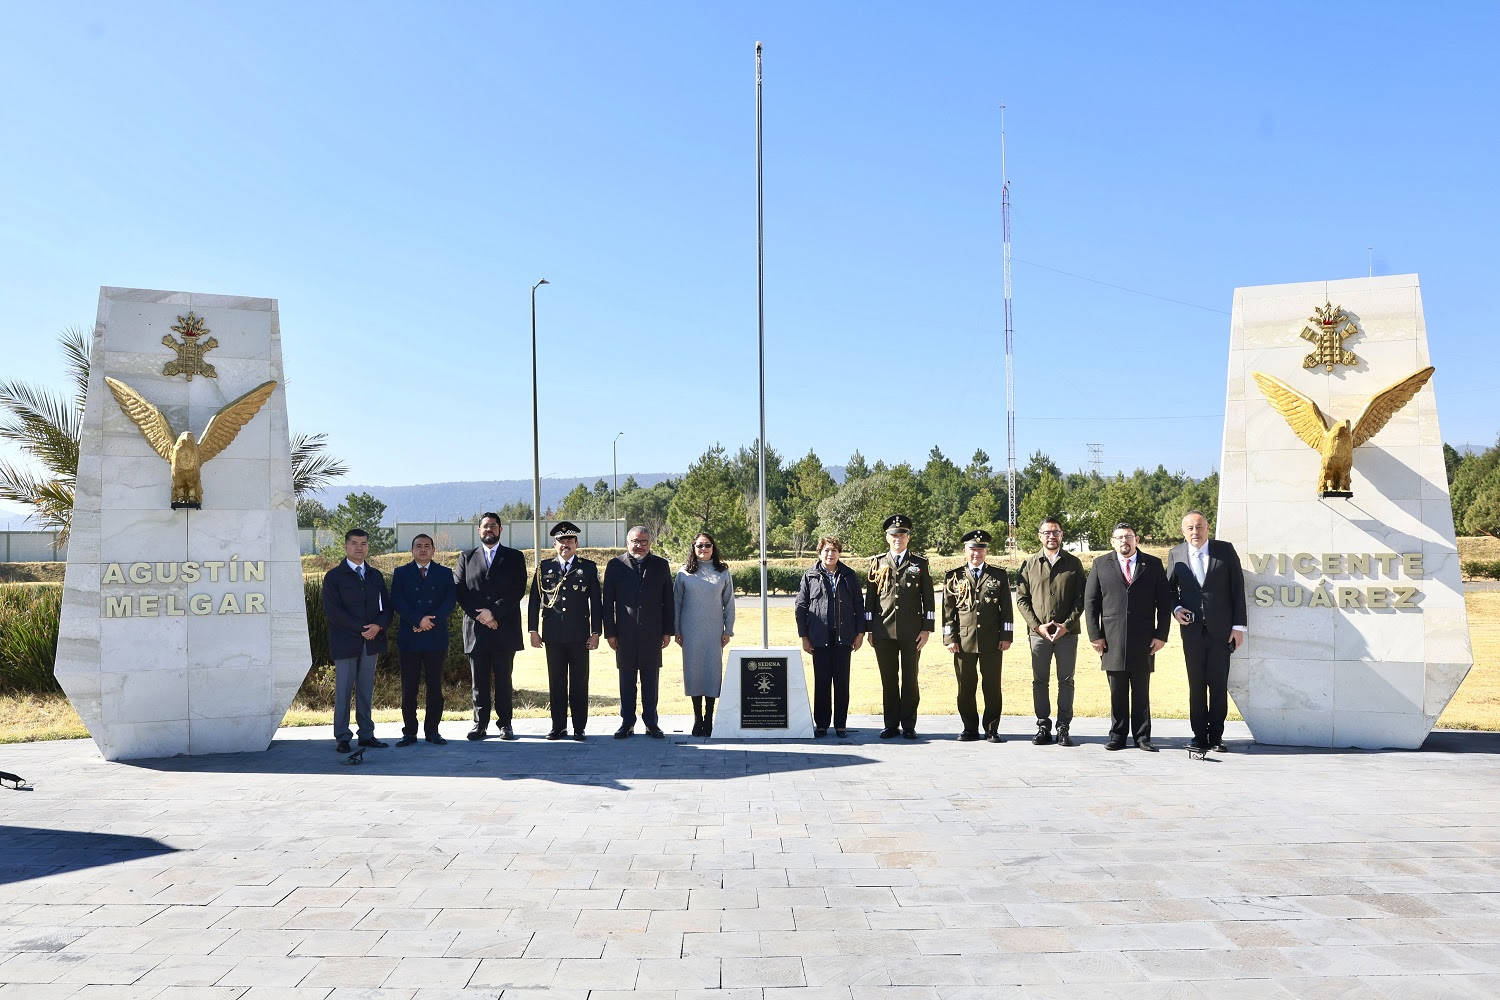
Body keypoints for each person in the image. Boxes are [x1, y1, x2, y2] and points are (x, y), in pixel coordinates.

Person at [1084, 522, 1172, 751]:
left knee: (1142, 691)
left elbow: (1164, 603)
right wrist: (1095, 635)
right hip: (1111, 640)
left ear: (1137, 539)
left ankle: (1143, 737)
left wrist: (1161, 635)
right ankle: (1117, 735)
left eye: (1129, 536)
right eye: (1119, 537)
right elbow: (1091, 603)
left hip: (1144, 640)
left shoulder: (1152, 564)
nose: (1124, 541)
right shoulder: (1100, 564)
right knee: (1117, 691)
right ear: (1112, 541)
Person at [1166, 510, 1247, 755]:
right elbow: (1167, 591)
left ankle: (1217, 737)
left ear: (1207, 528)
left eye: (1199, 527)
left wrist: (1239, 627)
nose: (1195, 532)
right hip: (1191, 632)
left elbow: (1237, 588)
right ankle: (1199, 736)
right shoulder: (1175, 554)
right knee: (1197, 685)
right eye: (1189, 528)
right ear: (1183, 531)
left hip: (1222, 631)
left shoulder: (1225, 550)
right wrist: (1177, 608)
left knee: (1218, 684)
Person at [454, 513, 528, 741]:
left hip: (504, 628)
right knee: (479, 681)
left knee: (504, 680)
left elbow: (518, 589)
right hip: (476, 630)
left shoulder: (515, 557)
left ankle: (505, 724)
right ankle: (480, 724)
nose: (489, 530)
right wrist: (482, 616)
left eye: (493, 526)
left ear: (500, 530)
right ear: (478, 530)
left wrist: (493, 612)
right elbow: (459, 590)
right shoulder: (466, 557)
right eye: (485, 526)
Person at [1014, 516, 1087, 747]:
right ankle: (1043, 725)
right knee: (1040, 681)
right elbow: (1022, 599)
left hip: (1068, 633)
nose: (1051, 536)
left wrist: (1067, 625)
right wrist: (1037, 626)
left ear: (1062, 535)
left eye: (1055, 532)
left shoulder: (1073, 564)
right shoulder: (1028, 564)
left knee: (1066, 680)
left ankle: (1063, 727)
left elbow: (1081, 598)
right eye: (1046, 532)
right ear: (1040, 536)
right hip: (1039, 634)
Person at [528, 521, 602, 741]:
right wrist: (533, 630)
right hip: (552, 635)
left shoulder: (587, 568)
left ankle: (579, 727)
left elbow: (596, 603)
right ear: (554, 544)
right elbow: (534, 601)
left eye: (569, 540)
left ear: (576, 543)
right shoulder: (544, 568)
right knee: (556, 682)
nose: (565, 545)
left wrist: (596, 632)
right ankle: (558, 726)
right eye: (561, 541)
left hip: (580, 636)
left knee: (579, 682)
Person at [321, 528, 392, 753]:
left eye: (363, 543)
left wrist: (378, 626)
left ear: (367, 547)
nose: (359, 547)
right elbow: (333, 612)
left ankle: (366, 735)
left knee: (365, 690)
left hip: (371, 642)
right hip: (345, 642)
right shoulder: (334, 577)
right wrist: (362, 628)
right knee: (343, 691)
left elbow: (387, 608)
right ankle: (342, 736)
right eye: (354, 543)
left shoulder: (375, 575)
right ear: (346, 546)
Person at [864, 514, 934, 739]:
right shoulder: (877, 563)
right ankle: (891, 724)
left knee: (910, 679)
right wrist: (869, 628)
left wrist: (926, 629)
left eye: (902, 534)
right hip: (883, 630)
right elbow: (871, 599)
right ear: (887, 537)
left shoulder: (919, 563)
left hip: (911, 631)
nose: (898, 538)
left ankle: (909, 725)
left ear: (908, 537)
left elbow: (928, 599)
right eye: (894, 535)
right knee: (889, 679)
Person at [603, 526, 675, 739]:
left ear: (650, 543)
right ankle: (627, 722)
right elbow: (608, 603)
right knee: (626, 680)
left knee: (650, 680)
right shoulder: (615, 565)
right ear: (628, 543)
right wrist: (610, 633)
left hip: (652, 633)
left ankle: (651, 722)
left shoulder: (661, 565)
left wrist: (667, 631)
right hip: (624, 633)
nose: (640, 545)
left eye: (644, 541)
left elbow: (668, 601)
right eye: (635, 541)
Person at [941, 529, 1013, 742]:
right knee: (965, 686)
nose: (977, 553)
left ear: (986, 551)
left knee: (992, 686)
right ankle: (969, 727)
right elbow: (948, 612)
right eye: (973, 549)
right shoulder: (954, 576)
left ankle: (992, 728)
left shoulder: (998, 575)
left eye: (981, 549)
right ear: (965, 551)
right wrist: (950, 638)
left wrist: (1006, 635)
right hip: (963, 641)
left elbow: (1006, 609)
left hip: (992, 640)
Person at [389, 533, 457, 746]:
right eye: (418, 546)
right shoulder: (401, 573)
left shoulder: (445, 573)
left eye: (427, 546)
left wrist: (429, 622)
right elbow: (397, 601)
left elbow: (449, 602)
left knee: (434, 686)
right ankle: (409, 731)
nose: (423, 550)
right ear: (412, 550)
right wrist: (418, 620)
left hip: (435, 638)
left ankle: (432, 731)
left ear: (434, 550)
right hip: (409, 638)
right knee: (409, 687)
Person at [795, 535, 865, 738]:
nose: (830, 554)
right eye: (826, 550)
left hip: (844, 639)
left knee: (842, 683)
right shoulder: (810, 576)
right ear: (819, 553)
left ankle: (841, 724)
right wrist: (804, 637)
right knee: (822, 683)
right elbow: (801, 607)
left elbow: (859, 606)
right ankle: (822, 724)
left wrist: (860, 633)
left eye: (834, 550)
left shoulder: (849, 575)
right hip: (819, 639)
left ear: (839, 553)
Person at [674, 531, 735, 736]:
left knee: (711, 672)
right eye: (699, 545)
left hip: (714, 631)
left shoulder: (723, 572)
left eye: (707, 545)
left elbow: (729, 603)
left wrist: (729, 629)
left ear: (713, 548)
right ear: (693, 548)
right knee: (694, 673)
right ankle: (697, 718)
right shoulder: (683, 573)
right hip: (690, 631)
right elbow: (676, 603)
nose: (703, 549)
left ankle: (709, 718)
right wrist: (676, 630)